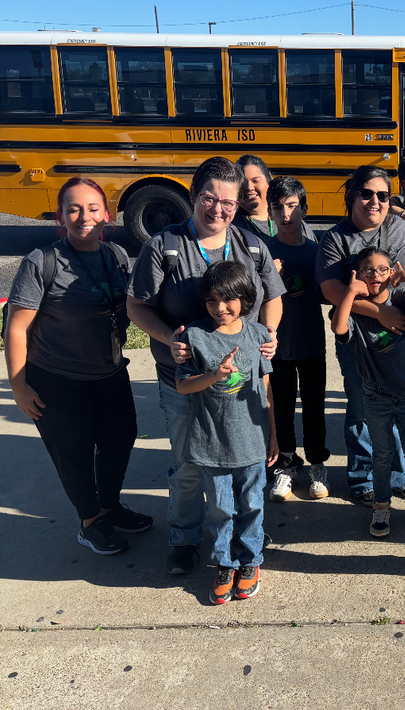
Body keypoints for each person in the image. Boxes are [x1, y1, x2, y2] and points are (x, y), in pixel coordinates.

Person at [126, 156, 285, 575]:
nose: (218, 209)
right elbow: (136, 306)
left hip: (240, 382)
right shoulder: (164, 246)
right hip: (187, 380)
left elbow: (273, 296)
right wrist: (170, 340)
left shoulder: (251, 245)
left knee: (245, 463)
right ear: (194, 196)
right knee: (189, 465)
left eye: (228, 202)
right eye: (210, 199)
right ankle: (184, 538)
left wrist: (268, 337)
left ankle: (242, 535)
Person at [5, 178, 150, 556]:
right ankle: (89, 522)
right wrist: (19, 385)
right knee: (76, 454)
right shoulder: (42, 262)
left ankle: (109, 507)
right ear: (60, 216)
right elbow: (16, 328)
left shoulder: (116, 255)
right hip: (57, 379)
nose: (83, 216)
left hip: (109, 372)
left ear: (106, 214)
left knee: (121, 439)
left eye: (91, 208)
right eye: (73, 208)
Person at [175, 261, 277, 604]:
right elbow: (183, 386)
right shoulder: (195, 336)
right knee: (219, 507)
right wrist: (214, 376)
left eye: (229, 300)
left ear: (246, 298)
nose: (221, 308)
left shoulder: (259, 335)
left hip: (252, 440)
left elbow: (265, 385)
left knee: (251, 503)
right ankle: (224, 562)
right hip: (210, 442)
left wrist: (274, 434)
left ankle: (250, 560)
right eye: (212, 301)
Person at [316, 166, 405, 504]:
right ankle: (362, 479)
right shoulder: (335, 238)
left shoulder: (399, 229)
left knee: (395, 405)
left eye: (383, 196)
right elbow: (331, 288)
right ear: (351, 196)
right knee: (361, 408)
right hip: (356, 343)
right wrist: (379, 311)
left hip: (396, 343)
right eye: (366, 193)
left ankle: (400, 475)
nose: (374, 201)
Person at [331, 249, 405, 538]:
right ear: (358, 275)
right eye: (368, 271)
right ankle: (382, 507)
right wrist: (352, 293)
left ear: (390, 272)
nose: (376, 276)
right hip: (375, 395)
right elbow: (338, 328)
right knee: (381, 455)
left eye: (382, 269)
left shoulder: (402, 299)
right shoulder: (356, 307)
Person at [263, 177, 331, 502]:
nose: (285, 213)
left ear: (304, 208)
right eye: (278, 207)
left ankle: (317, 464)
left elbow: (327, 294)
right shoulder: (264, 252)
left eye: (292, 206)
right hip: (278, 348)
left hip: (311, 343)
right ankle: (286, 467)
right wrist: (269, 279)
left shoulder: (316, 251)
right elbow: (249, 298)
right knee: (283, 410)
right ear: (269, 211)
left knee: (315, 408)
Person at [233, 155, 317, 243]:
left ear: (268, 179)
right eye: (242, 183)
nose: (249, 187)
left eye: (255, 181)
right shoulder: (232, 227)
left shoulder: (297, 224)